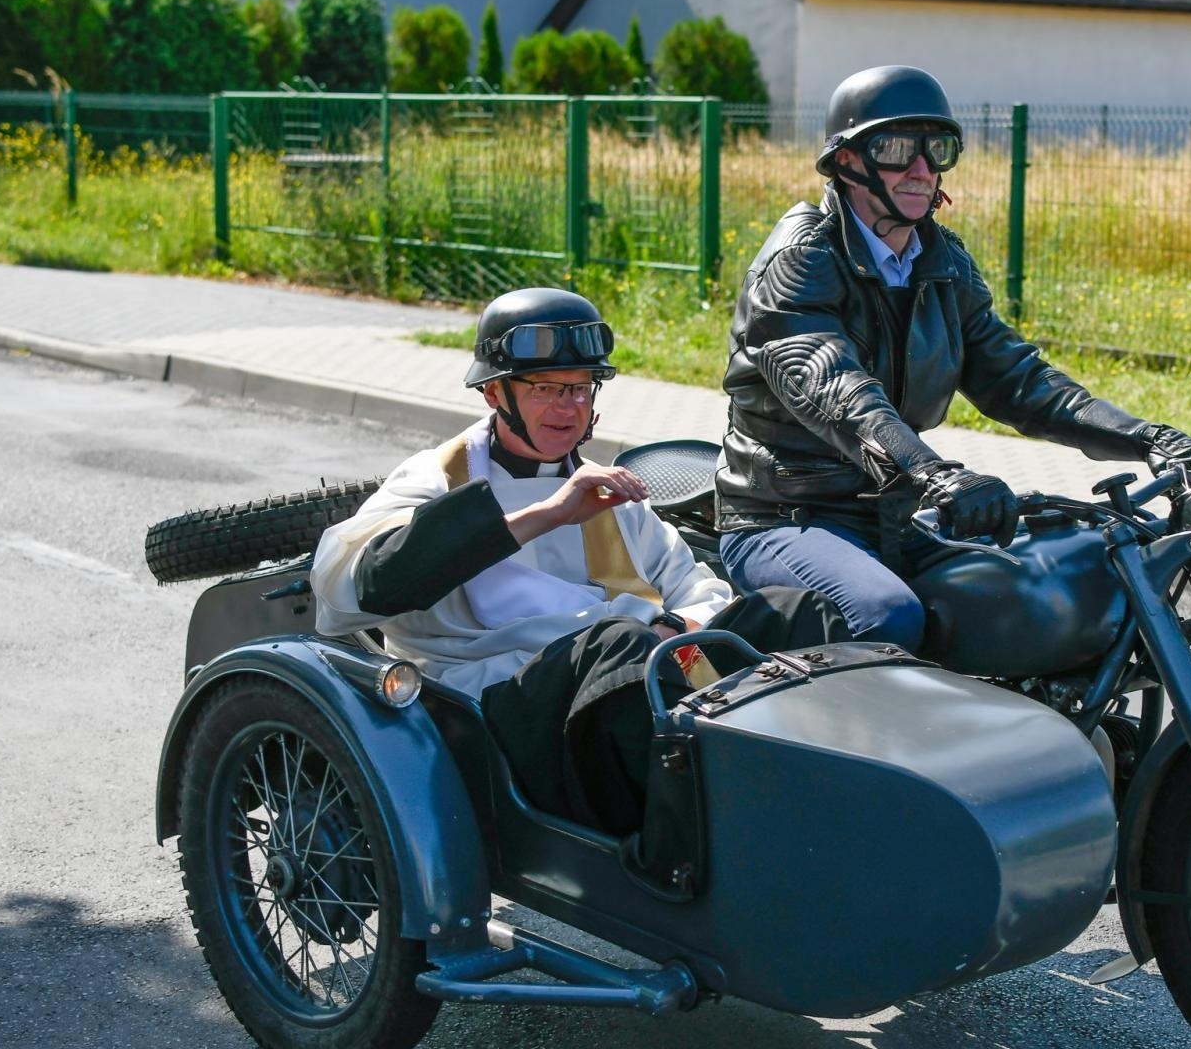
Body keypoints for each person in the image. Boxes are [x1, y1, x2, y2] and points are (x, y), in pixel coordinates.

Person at [311, 287, 846, 836]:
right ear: (494, 393)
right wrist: (548, 514)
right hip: (494, 700)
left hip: (628, 667)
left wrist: (677, 626)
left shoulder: (603, 489)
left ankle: (827, 793)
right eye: (545, 388)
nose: (568, 407)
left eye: (581, 389)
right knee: (621, 642)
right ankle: (689, 841)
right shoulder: (435, 477)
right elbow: (353, 590)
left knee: (796, 612)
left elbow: (691, 584)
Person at [716, 65, 1191, 654]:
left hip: (891, 514)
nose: (922, 169)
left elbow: (1019, 379)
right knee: (884, 616)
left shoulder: (941, 260)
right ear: (845, 160)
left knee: (1042, 595)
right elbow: (837, 393)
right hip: (785, 517)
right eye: (897, 148)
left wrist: (1146, 438)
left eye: (937, 149)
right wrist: (938, 475)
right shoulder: (800, 260)